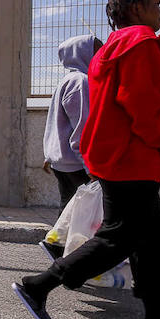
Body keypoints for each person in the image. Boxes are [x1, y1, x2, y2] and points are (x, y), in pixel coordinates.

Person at [12, 0, 160, 319]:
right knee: (117, 238)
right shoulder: (141, 43)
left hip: (119, 157)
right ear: (135, 7)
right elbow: (144, 109)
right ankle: (37, 285)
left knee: (153, 240)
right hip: (132, 159)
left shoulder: (114, 47)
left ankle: (157, 315)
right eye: (157, 4)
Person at [38, 34, 102, 261]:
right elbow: (81, 128)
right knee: (84, 212)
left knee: (71, 207)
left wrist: (49, 155)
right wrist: (90, 165)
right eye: (97, 50)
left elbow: (56, 124)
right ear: (83, 54)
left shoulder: (67, 80)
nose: (102, 55)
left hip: (62, 160)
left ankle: (58, 248)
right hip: (76, 161)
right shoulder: (81, 82)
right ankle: (67, 253)